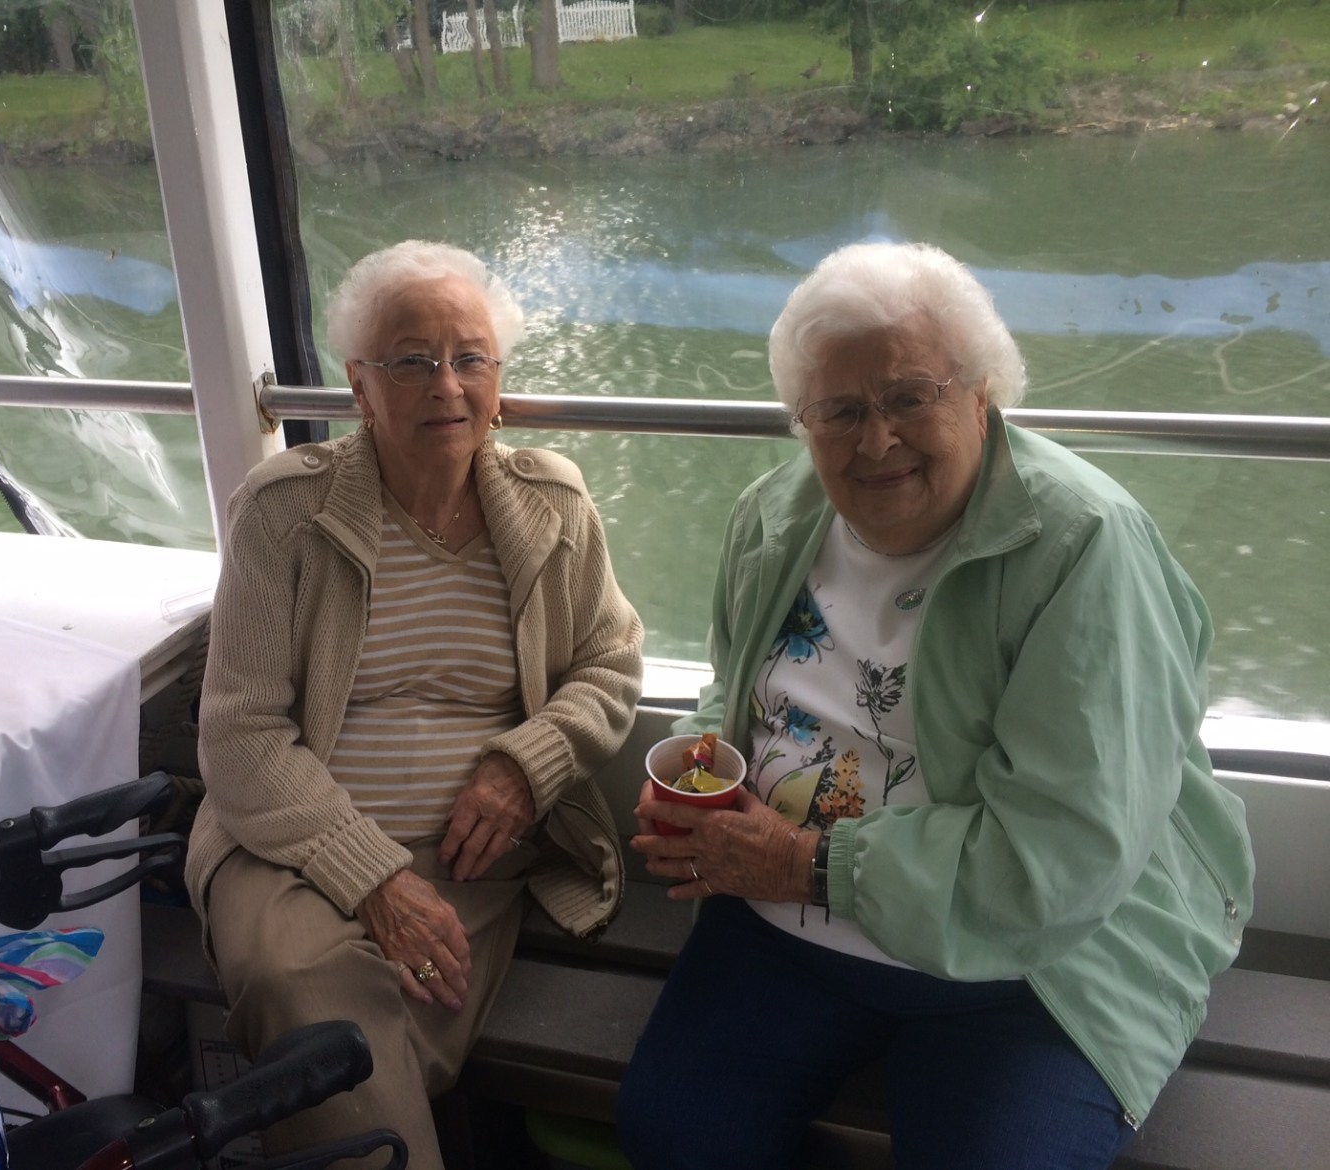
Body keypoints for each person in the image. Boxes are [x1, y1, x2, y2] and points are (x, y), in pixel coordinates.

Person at [617, 241, 1254, 1170]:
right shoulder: (774, 514)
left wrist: (806, 864)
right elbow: (739, 684)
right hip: (783, 927)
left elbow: (1063, 853)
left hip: (1034, 965)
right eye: (838, 411)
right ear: (802, 422)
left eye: (910, 396)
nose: (875, 440)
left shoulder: (1083, 549)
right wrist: (699, 757)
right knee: (673, 1133)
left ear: (983, 391)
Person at [186, 240, 643, 1168]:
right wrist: (372, 875)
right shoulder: (284, 514)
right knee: (298, 984)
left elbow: (610, 662)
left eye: (470, 358)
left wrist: (527, 766)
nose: (447, 385)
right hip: (287, 846)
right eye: (411, 360)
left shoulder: (553, 503)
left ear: (499, 380)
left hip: (470, 863)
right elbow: (239, 734)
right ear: (359, 384)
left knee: (359, 1036)